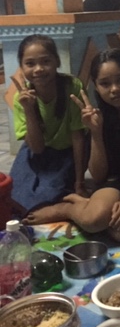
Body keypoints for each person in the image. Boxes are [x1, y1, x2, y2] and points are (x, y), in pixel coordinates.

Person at [24, 49, 120, 243]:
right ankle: (67, 209)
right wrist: (95, 132)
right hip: (118, 182)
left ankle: (87, 204)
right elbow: (99, 175)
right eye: (105, 83)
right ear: (96, 85)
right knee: (93, 221)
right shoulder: (100, 115)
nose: (115, 89)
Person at [10, 34, 87, 214]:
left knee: (48, 192)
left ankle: (64, 205)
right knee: (14, 197)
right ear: (22, 67)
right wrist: (29, 109)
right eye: (30, 64)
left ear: (56, 62)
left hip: (67, 152)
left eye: (45, 61)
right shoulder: (21, 99)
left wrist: (80, 182)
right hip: (36, 152)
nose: (38, 69)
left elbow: (78, 137)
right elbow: (36, 149)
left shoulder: (72, 87)